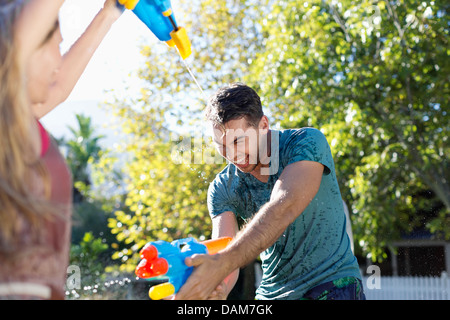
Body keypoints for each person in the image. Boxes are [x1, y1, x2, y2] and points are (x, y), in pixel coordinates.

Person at [175, 83, 365, 300]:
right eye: (221, 145)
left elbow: (285, 205)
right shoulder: (222, 187)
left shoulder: (305, 143)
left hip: (331, 284)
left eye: (238, 141)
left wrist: (223, 262)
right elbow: (223, 247)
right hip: (271, 295)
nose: (232, 154)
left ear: (263, 125)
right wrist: (217, 289)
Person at [0, 0, 123, 299]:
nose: (59, 60)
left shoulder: (19, 123)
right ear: (23, 49)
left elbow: (58, 87)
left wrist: (112, 10)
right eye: (56, 45)